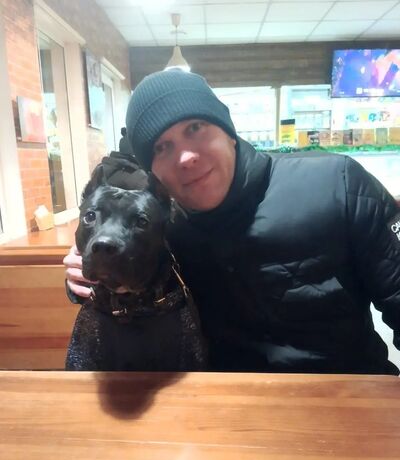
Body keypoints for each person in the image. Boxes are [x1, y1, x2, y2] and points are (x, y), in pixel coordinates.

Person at [64, 68, 400, 375]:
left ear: (228, 131)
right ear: (153, 172)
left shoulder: (337, 182)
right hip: (227, 398)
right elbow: (136, 289)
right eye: (163, 147)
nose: (186, 157)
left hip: (348, 391)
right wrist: (84, 271)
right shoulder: (163, 227)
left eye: (195, 128)